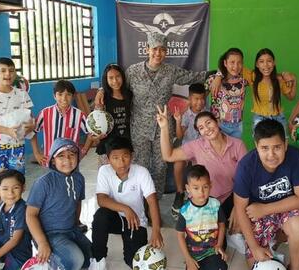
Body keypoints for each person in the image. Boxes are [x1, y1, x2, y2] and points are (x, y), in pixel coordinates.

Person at [96, 33, 211, 197]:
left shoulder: (171, 71)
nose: (158, 53)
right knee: (138, 164)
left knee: (160, 166)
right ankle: (139, 199)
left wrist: (217, 75)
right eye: (154, 49)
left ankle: (154, 201)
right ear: (147, 49)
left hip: (162, 127)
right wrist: (101, 89)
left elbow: (193, 77)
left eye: (162, 50)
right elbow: (116, 85)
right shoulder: (133, 71)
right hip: (139, 127)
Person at [233, 119, 299, 270]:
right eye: (264, 148)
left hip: (284, 208)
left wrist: (265, 209)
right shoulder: (246, 166)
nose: (271, 155)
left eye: (277, 147)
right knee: (258, 264)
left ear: (285, 145)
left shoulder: (295, 157)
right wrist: (255, 248)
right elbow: (240, 209)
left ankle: (295, 267)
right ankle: (274, 239)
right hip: (257, 215)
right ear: (256, 147)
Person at [157, 107, 247, 226]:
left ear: (217, 122)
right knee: (208, 239)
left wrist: (238, 208)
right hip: (204, 200)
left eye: (208, 123)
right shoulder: (196, 146)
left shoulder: (237, 145)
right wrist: (164, 128)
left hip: (230, 197)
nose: (207, 129)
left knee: (239, 227)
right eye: (201, 128)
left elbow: (245, 180)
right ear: (200, 133)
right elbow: (168, 156)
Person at [90, 137, 163, 269]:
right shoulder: (104, 171)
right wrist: (125, 209)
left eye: (125, 156)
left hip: (136, 221)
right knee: (100, 216)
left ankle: (130, 244)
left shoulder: (141, 172)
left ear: (132, 156)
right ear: (108, 159)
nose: (121, 162)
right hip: (115, 218)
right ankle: (98, 259)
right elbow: (101, 199)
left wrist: (156, 231)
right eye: (115, 158)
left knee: (132, 261)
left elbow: (152, 202)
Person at [0, 57, 34, 215]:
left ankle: (15, 222)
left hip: (17, 147)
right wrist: (8, 131)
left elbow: (30, 119)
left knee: (16, 187)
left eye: (11, 70)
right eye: (3, 70)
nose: (7, 74)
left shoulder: (22, 94)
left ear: (15, 74)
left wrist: (31, 126)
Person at [26, 138, 92, 270]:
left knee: (89, 258)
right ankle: (47, 264)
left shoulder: (79, 179)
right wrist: (42, 242)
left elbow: (77, 202)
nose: (67, 160)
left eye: (72, 155)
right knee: (76, 261)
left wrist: (76, 223)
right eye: (61, 156)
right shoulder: (44, 183)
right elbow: (30, 215)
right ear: (52, 161)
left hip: (71, 230)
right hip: (49, 234)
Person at [176, 164, 228, 270]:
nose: (201, 192)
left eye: (205, 187)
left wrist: (219, 244)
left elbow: (222, 225)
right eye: (196, 188)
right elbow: (180, 235)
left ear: (210, 185)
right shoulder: (185, 210)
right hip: (193, 253)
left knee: (221, 267)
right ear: (188, 188)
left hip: (212, 249)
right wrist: (188, 258)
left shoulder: (215, 204)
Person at [31, 80, 93, 166]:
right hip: (51, 161)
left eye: (68, 94)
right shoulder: (45, 113)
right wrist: (37, 153)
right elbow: (32, 132)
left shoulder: (79, 115)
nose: (64, 98)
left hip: (71, 163)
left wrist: (84, 151)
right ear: (54, 96)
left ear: (73, 96)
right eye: (60, 94)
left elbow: (91, 134)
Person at [171, 83, 207, 218]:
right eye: (196, 99)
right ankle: (180, 192)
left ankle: (198, 197)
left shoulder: (207, 113)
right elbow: (180, 136)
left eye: (202, 98)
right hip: (188, 147)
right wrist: (178, 121)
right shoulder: (186, 114)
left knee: (202, 169)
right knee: (178, 163)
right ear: (190, 99)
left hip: (203, 149)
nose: (199, 102)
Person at [248, 48, 296, 131]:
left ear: (274, 63)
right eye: (261, 61)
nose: (266, 65)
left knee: (282, 143)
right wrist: (218, 78)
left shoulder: (279, 79)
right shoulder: (252, 76)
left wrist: (294, 80)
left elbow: (291, 97)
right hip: (259, 118)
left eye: (269, 61)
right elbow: (232, 69)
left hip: (278, 118)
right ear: (257, 64)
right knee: (261, 143)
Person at [207, 48, 248, 139]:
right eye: (232, 62)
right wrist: (218, 76)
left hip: (237, 125)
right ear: (225, 63)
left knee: (235, 152)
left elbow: (262, 75)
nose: (236, 66)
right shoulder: (213, 79)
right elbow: (201, 96)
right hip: (219, 124)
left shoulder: (244, 79)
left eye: (239, 62)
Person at [96, 64, 132, 166]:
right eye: (111, 78)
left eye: (118, 76)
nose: (115, 81)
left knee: (124, 173)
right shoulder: (103, 97)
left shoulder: (129, 95)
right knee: (107, 175)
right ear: (106, 79)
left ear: (123, 77)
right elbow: (97, 120)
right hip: (107, 144)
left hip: (126, 143)